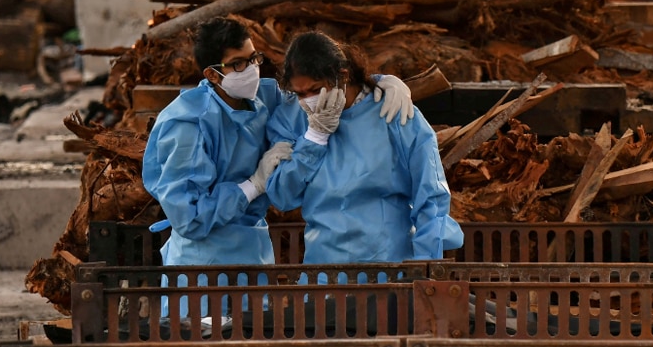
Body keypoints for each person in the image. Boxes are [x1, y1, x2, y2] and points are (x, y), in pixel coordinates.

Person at [141, 18, 414, 320]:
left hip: (254, 253)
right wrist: (253, 185)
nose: (251, 70)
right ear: (212, 74)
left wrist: (379, 81)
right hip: (201, 265)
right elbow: (189, 219)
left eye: (253, 58)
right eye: (238, 64)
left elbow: (317, 84)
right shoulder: (187, 125)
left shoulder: (262, 97)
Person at [265, 31, 464, 265]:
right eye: (300, 93)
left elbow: (431, 196)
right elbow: (282, 195)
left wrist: (426, 264)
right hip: (324, 271)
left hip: (390, 267)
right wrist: (313, 139)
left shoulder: (392, 112)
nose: (307, 100)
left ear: (343, 76)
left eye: (315, 89)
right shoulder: (292, 118)